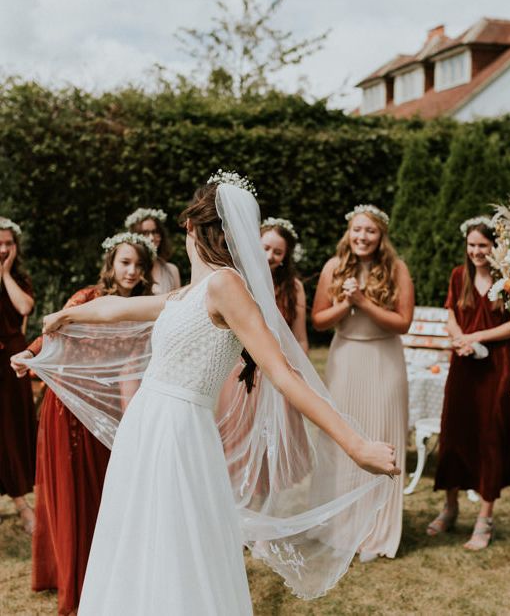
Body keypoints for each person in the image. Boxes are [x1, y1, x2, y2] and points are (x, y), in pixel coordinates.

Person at [16, 173, 398, 614]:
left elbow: (285, 374)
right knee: (140, 536)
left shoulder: (225, 286)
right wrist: (61, 318)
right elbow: (115, 308)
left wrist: (357, 445)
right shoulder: (188, 293)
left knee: (178, 543)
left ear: (191, 227)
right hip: (147, 426)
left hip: (180, 431)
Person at [12, 232, 156, 616]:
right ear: (111, 262)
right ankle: (72, 583)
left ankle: (101, 576)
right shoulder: (86, 299)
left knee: (101, 494)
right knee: (72, 493)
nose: (132, 271)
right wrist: (28, 352)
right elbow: (52, 334)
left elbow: (133, 367)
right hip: (68, 410)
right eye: (126, 262)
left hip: (105, 410)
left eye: (139, 265)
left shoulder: (144, 311)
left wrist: (132, 418)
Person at [311, 204, 413, 562]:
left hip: (384, 360)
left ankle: (377, 530)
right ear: (348, 233)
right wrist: (345, 305)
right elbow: (319, 320)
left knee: (381, 436)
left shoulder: (397, 269)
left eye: (370, 231)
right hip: (346, 359)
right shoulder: (333, 267)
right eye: (357, 230)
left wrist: (362, 302)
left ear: (381, 236)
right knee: (343, 441)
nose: (363, 237)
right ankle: (342, 525)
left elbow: (403, 323)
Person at [427, 217, 510, 550]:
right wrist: (459, 339)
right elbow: (451, 313)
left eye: (483, 245)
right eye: (472, 245)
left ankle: (485, 517)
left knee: (491, 434)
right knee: (456, 430)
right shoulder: (459, 275)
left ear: (495, 247)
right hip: (464, 365)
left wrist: (478, 335)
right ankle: (450, 507)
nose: (477, 251)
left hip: (497, 366)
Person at [0, 217, 36, 535]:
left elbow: (24, 308)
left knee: (12, 429)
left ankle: (22, 502)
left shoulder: (19, 279)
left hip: (10, 361)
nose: (2, 248)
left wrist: (5, 274)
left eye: (8, 243)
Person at [261, 217, 308, 352]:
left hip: (279, 358)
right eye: (265, 248)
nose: (270, 256)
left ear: (284, 257)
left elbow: (300, 338)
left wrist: (301, 371)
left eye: (278, 252)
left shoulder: (295, 287)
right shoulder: (238, 280)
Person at [126, 207, 181, 293]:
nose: (151, 238)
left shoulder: (172, 270)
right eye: (145, 233)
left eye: (155, 232)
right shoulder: (129, 271)